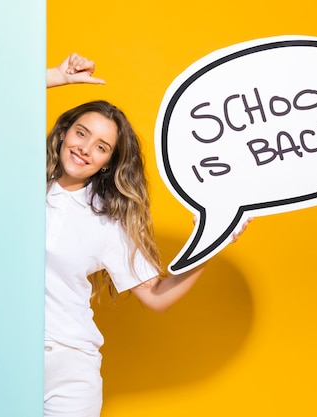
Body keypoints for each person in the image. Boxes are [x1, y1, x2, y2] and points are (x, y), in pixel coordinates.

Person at [44, 53, 250, 417]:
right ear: (63, 132)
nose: (85, 149)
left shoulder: (107, 220)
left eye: (101, 147)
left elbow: (156, 297)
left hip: (69, 369)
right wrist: (55, 76)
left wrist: (214, 242)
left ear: (107, 162)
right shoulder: (12, 180)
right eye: (81, 133)